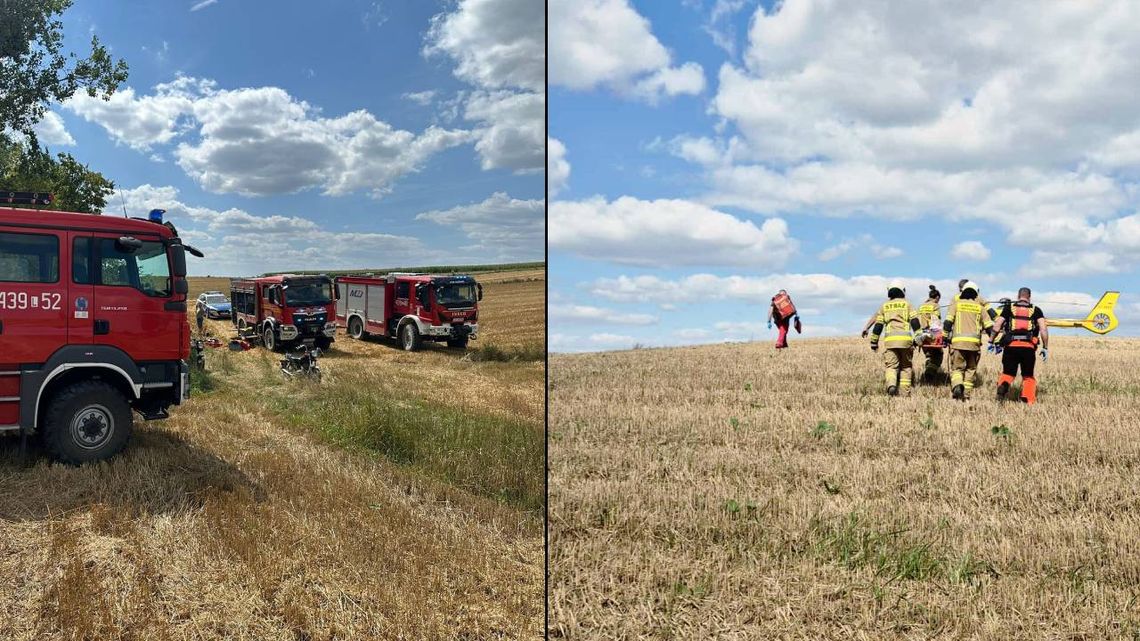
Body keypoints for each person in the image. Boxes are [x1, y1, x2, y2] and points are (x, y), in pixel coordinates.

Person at [991, 287, 1048, 404]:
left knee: (1008, 372)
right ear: (1029, 297)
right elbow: (1043, 329)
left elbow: (997, 326)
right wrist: (1045, 347)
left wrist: (991, 340)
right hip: (1028, 348)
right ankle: (1027, 399)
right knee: (1028, 375)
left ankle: (1003, 386)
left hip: (1011, 346)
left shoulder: (1008, 308)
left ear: (1018, 296)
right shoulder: (1036, 310)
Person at [868, 281, 924, 396]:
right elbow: (915, 321)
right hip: (905, 342)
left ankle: (892, 385)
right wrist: (919, 336)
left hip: (890, 342)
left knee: (891, 367)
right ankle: (904, 393)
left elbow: (878, 326)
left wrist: (874, 342)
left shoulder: (885, 306)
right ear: (902, 291)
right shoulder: (907, 304)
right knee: (906, 367)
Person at [942, 281, 993, 400]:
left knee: (957, 369)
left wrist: (945, 337)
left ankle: (957, 385)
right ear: (976, 294)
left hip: (958, 344)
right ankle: (966, 395)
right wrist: (996, 340)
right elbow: (989, 327)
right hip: (974, 345)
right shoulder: (980, 308)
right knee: (971, 369)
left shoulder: (956, 305)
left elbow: (948, 322)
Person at [916, 285, 944, 381]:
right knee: (938, 356)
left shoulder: (921, 306)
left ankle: (928, 376)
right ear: (937, 297)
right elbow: (936, 321)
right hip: (932, 334)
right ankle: (929, 373)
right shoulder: (935, 306)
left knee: (928, 355)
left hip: (921, 334)